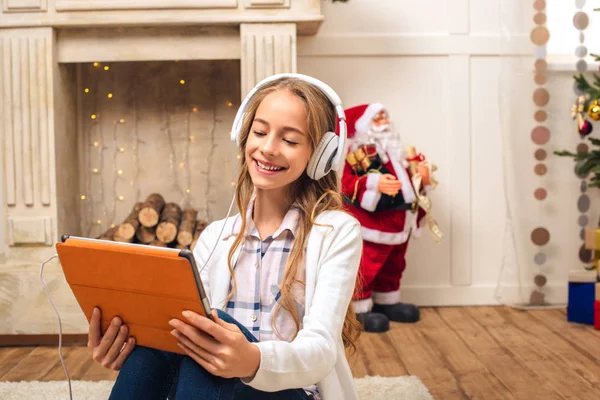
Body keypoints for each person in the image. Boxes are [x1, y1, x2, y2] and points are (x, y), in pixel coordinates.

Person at [86, 74, 363, 400]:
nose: (268, 148)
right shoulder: (216, 236)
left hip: (293, 393)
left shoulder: (335, 232)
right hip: (218, 389)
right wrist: (125, 345)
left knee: (211, 330)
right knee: (174, 334)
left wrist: (251, 361)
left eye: (289, 140)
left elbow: (321, 350)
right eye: (259, 132)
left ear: (319, 156)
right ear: (243, 137)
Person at [340, 103, 432, 333]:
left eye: (384, 117)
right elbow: (347, 184)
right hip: (374, 223)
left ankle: (387, 301)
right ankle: (358, 308)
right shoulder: (359, 155)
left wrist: (423, 178)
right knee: (367, 266)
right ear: (364, 126)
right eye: (377, 118)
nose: (384, 121)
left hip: (400, 221)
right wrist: (375, 183)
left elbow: (412, 184)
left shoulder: (399, 153)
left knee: (394, 265)